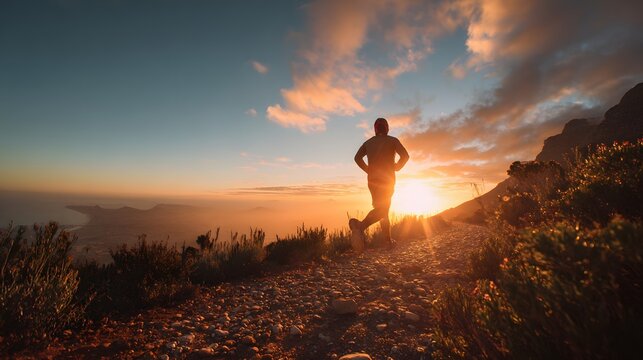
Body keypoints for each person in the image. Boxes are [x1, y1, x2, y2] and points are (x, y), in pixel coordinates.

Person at [350, 117, 409, 251]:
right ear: (387, 128)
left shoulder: (368, 142)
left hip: (372, 181)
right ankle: (360, 226)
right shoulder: (393, 140)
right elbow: (405, 156)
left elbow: (357, 158)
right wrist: (397, 166)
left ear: (375, 129)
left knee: (383, 210)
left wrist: (367, 169)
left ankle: (387, 241)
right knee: (383, 209)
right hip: (387, 180)